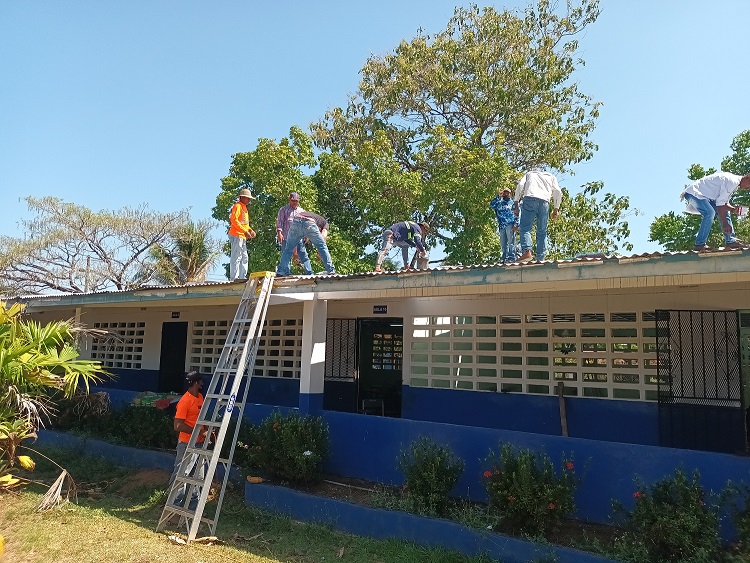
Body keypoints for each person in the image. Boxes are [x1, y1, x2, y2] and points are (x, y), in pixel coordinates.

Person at [680, 172, 750, 251]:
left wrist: (733, 209)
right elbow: (720, 206)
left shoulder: (734, 184)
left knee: (725, 211)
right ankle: (699, 244)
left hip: (704, 196)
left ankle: (730, 241)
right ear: (747, 178)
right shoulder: (732, 182)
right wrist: (725, 224)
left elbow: (723, 204)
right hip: (694, 193)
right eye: (749, 186)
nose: (747, 189)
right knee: (709, 213)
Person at [168, 371, 207, 507]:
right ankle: (173, 506)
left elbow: (198, 418)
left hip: (199, 442)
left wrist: (204, 431)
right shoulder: (185, 400)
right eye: (200, 381)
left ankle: (192, 509)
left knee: (197, 477)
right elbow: (177, 425)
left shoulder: (200, 397)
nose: (202, 384)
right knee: (181, 475)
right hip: (186, 443)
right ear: (196, 383)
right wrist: (199, 432)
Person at [514, 170, 562, 263]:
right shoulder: (551, 176)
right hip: (544, 201)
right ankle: (541, 257)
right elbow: (557, 191)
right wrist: (556, 208)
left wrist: (516, 200)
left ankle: (527, 251)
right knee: (542, 230)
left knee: (525, 228)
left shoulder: (530, 174)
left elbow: (520, 185)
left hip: (530, 198)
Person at [276, 211, 336, 276]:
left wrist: (295, 253)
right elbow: (323, 236)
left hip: (295, 222)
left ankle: (280, 272)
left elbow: (296, 240)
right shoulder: (325, 223)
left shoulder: (312, 215)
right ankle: (331, 271)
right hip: (309, 223)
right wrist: (319, 253)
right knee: (322, 246)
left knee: (288, 249)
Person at [275, 192, 314, 275]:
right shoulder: (283, 210)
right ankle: (285, 272)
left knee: (303, 255)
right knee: (286, 255)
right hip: (286, 237)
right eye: (293, 201)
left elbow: (306, 224)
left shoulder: (302, 211)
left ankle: (309, 272)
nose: (294, 202)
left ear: (298, 201)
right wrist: (279, 233)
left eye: (296, 201)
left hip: (298, 238)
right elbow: (279, 222)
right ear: (289, 200)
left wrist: (307, 235)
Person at [228, 188, 256, 281]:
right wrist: (245, 231)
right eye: (247, 198)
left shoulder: (244, 208)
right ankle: (234, 278)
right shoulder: (237, 206)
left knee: (244, 257)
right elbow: (234, 220)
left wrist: (250, 230)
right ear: (242, 197)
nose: (249, 200)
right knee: (237, 256)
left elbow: (245, 223)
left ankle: (242, 277)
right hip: (236, 234)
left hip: (242, 235)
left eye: (249, 198)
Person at [490, 187, 519, 262]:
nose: (506, 194)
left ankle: (511, 256)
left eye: (508, 193)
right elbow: (492, 205)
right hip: (501, 225)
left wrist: (516, 224)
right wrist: (498, 196)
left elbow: (517, 214)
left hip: (510, 224)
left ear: (510, 194)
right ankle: (504, 257)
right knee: (503, 242)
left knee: (511, 241)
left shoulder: (513, 203)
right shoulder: (499, 203)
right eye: (505, 193)